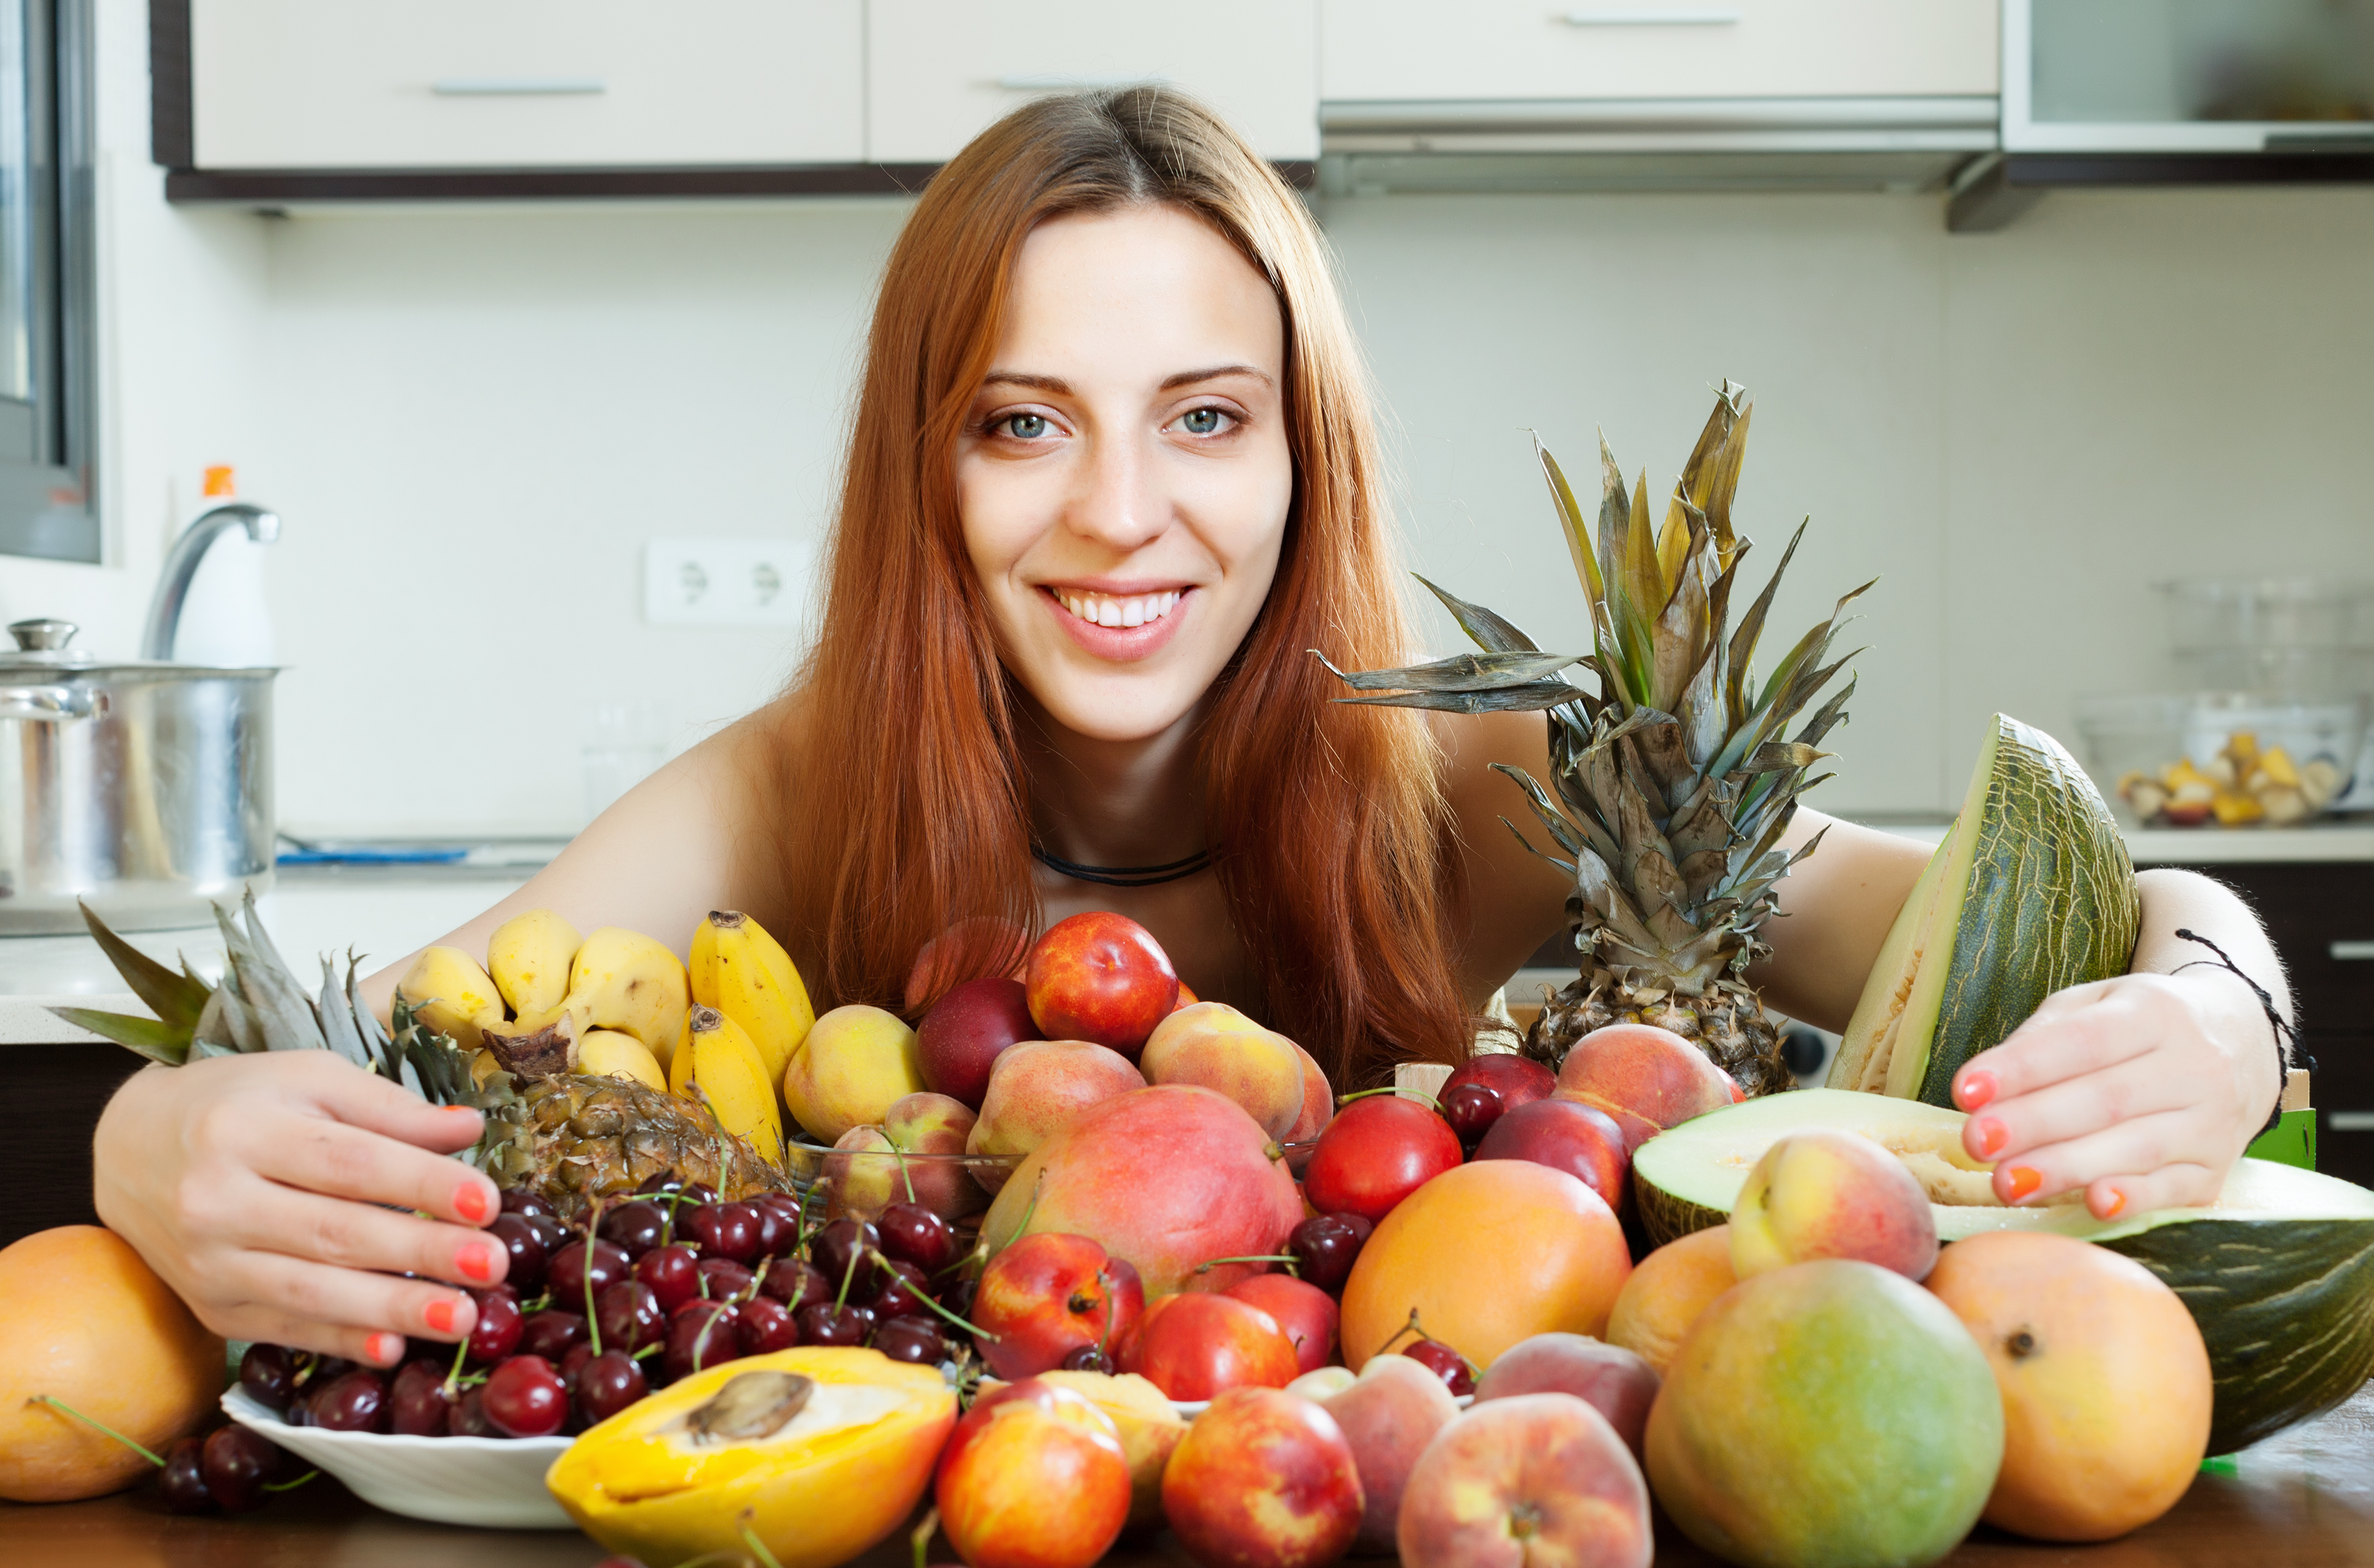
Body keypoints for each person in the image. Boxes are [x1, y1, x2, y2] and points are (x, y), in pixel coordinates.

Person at [92, 88, 2293, 1370]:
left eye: (1206, 419)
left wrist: (2219, 1007)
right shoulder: (790, 795)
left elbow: (2069, 911)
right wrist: (152, 1139)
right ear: (923, 476)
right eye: (1023, 423)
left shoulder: (1494, 782)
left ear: (1302, 462)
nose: (1121, 512)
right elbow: (369, 1057)